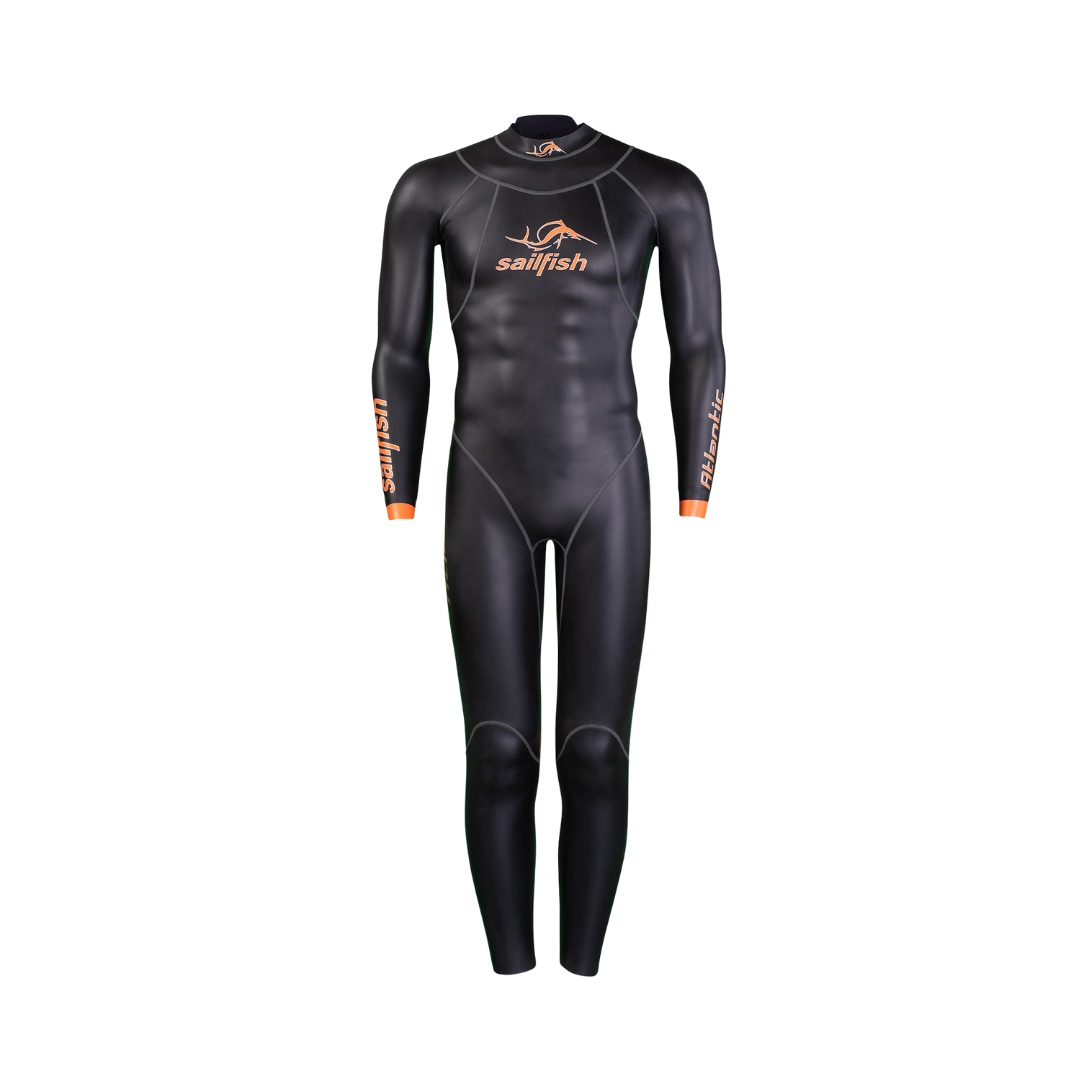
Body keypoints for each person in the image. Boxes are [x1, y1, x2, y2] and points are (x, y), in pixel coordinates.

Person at [371, 113, 725, 976]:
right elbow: (397, 351)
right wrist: (397, 487)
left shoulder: (661, 184)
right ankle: (507, 966)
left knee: (596, 752)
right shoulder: (432, 185)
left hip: (609, 488)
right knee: (498, 751)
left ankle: (585, 967)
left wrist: (697, 484)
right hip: (484, 490)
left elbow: (700, 346)